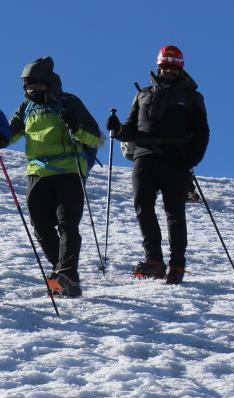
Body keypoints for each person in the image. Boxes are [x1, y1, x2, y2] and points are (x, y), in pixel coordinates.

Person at [107, 45, 209, 285]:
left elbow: (202, 132)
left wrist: (190, 160)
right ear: (158, 67)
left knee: (174, 211)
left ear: (180, 68)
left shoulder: (192, 97)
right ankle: (154, 260)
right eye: (165, 67)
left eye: (173, 67)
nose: (169, 71)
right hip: (144, 156)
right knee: (143, 206)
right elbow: (130, 129)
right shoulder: (143, 94)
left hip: (176, 159)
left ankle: (177, 263)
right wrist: (117, 128)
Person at [3, 57, 102, 298]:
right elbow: (9, 136)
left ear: (50, 84)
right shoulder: (26, 108)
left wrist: (76, 127)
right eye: (28, 87)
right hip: (37, 174)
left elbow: (96, 138)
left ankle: (67, 274)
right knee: (41, 227)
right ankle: (63, 274)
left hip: (70, 172)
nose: (32, 91)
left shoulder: (69, 102)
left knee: (67, 223)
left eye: (37, 86)